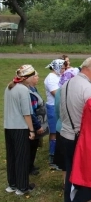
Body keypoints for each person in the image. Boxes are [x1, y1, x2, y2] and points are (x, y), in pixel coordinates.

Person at [60, 57, 91, 202]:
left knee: (70, 169)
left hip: (64, 133)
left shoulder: (66, 84)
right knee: (79, 172)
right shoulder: (89, 90)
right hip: (78, 136)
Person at [4, 65, 37, 195]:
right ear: (26, 78)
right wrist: (32, 130)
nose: (34, 78)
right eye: (33, 76)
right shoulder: (23, 90)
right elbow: (26, 113)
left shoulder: (9, 87)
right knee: (22, 157)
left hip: (8, 126)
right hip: (20, 127)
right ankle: (22, 186)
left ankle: (12, 184)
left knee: (11, 156)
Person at [44, 59, 65, 168]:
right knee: (53, 132)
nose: (63, 70)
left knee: (57, 131)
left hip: (58, 105)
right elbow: (56, 93)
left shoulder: (57, 76)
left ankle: (56, 153)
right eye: (61, 68)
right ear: (55, 67)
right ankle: (52, 156)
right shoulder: (50, 78)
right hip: (52, 106)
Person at [28, 70, 46, 176]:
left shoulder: (33, 88)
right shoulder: (29, 92)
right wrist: (37, 125)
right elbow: (31, 112)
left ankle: (31, 164)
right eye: (36, 76)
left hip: (37, 120)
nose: (38, 77)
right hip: (33, 123)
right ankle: (29, 167)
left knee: (35, 145)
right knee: (31, 145)